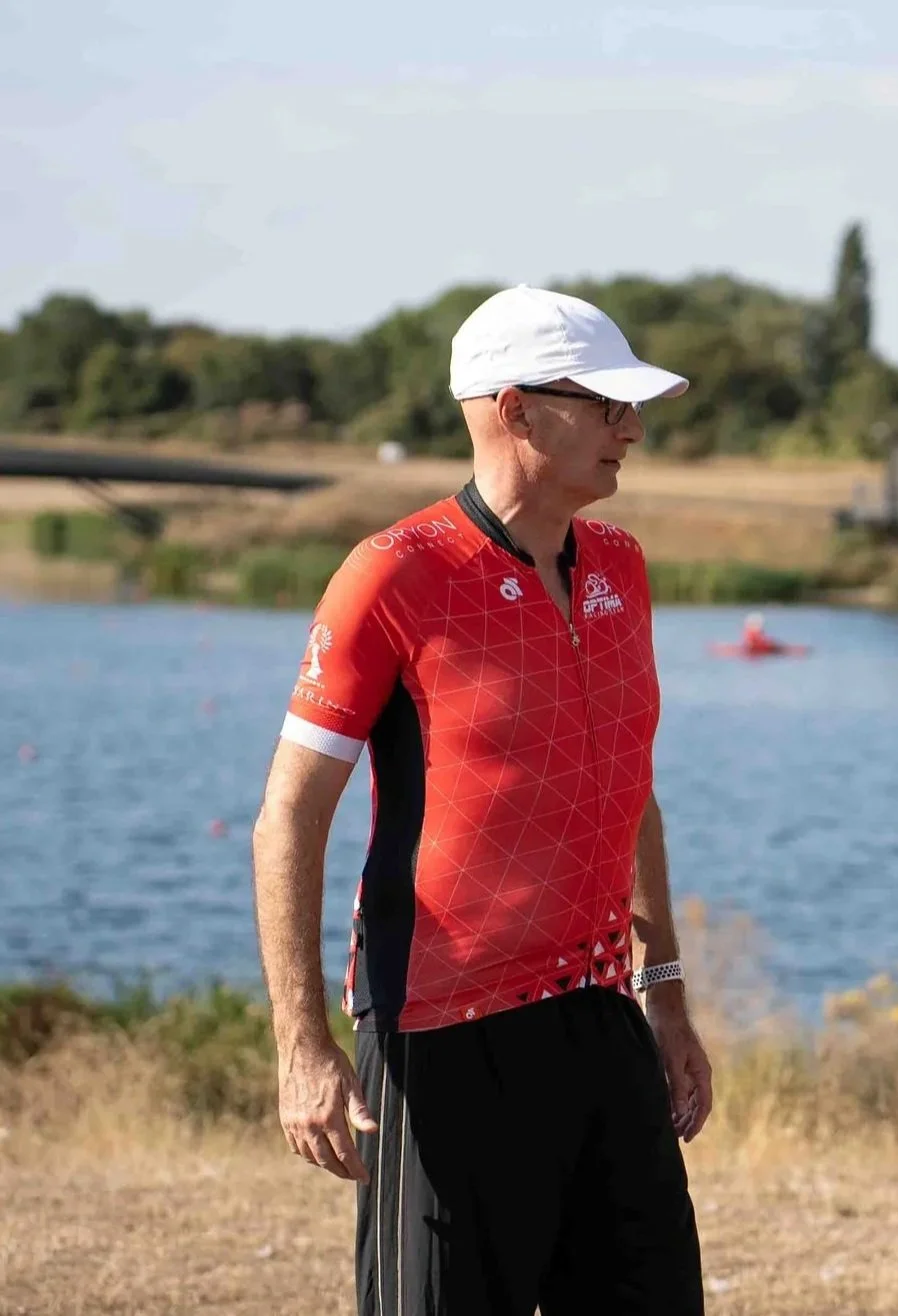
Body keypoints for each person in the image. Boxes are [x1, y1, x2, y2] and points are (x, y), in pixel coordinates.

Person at [253, 285, 712, 1316]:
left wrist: (666, 983)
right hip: (442, 1026)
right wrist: (301, 1046)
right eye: (605, 404)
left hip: (599, 1014)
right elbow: (290, 813)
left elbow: (630, 785)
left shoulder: (623, 568)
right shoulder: (393, 575)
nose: (631, 427)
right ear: (514, 409)